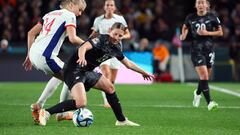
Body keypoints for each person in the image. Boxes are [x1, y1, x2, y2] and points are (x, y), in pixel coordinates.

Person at [38, 22, 154, 126]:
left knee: (110, 87)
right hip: (74, 69)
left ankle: (121, 121)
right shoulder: (100, 38)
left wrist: (143, 72)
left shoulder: (116, 48)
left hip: (87, 71)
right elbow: (83, 47)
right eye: (115, 34)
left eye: (120, 35)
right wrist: (82, 57)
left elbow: (128, 63)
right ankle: (46, 113)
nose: (117, 38)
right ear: (109, 31)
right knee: (81, 103)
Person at [22, 0, 86, 123]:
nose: (80, 14)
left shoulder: (50, 14)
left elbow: (30, 33)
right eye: (80, 9)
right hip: (46, 56)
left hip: (34, 53)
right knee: (72, 77)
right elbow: (73, 39)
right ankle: (61, 113)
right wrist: (88, 43)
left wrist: (29, 55)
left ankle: (39, 105)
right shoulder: (69, 15)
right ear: (72, 5)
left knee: (62, 76)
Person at [180, 0, 223, 110]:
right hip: (196, 49)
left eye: (203, 2)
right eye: (198, 3)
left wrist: (207, 33)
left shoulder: (213, 17)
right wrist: (183, 34)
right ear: (195, 5)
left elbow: (220, 32)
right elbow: (185, 27)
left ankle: (197, 92)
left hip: (209, 49)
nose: (200, 5)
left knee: (205, 77)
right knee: (204, 76)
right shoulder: (190, 17)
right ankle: (210, 103)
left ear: (207, 5)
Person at [90, 0, 131, 108]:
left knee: (112, 80)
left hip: (115, 50)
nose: (109, 6)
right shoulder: (98, 20)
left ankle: (109, 97)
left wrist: (121, 37)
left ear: (114, 7)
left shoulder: (119, 19)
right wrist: (86, 43)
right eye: (107, 4)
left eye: (111, 5)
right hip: (102, 50)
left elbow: (128, 34)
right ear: (104, 7)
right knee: (106, 73)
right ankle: (106, 101)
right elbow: (94, 34)